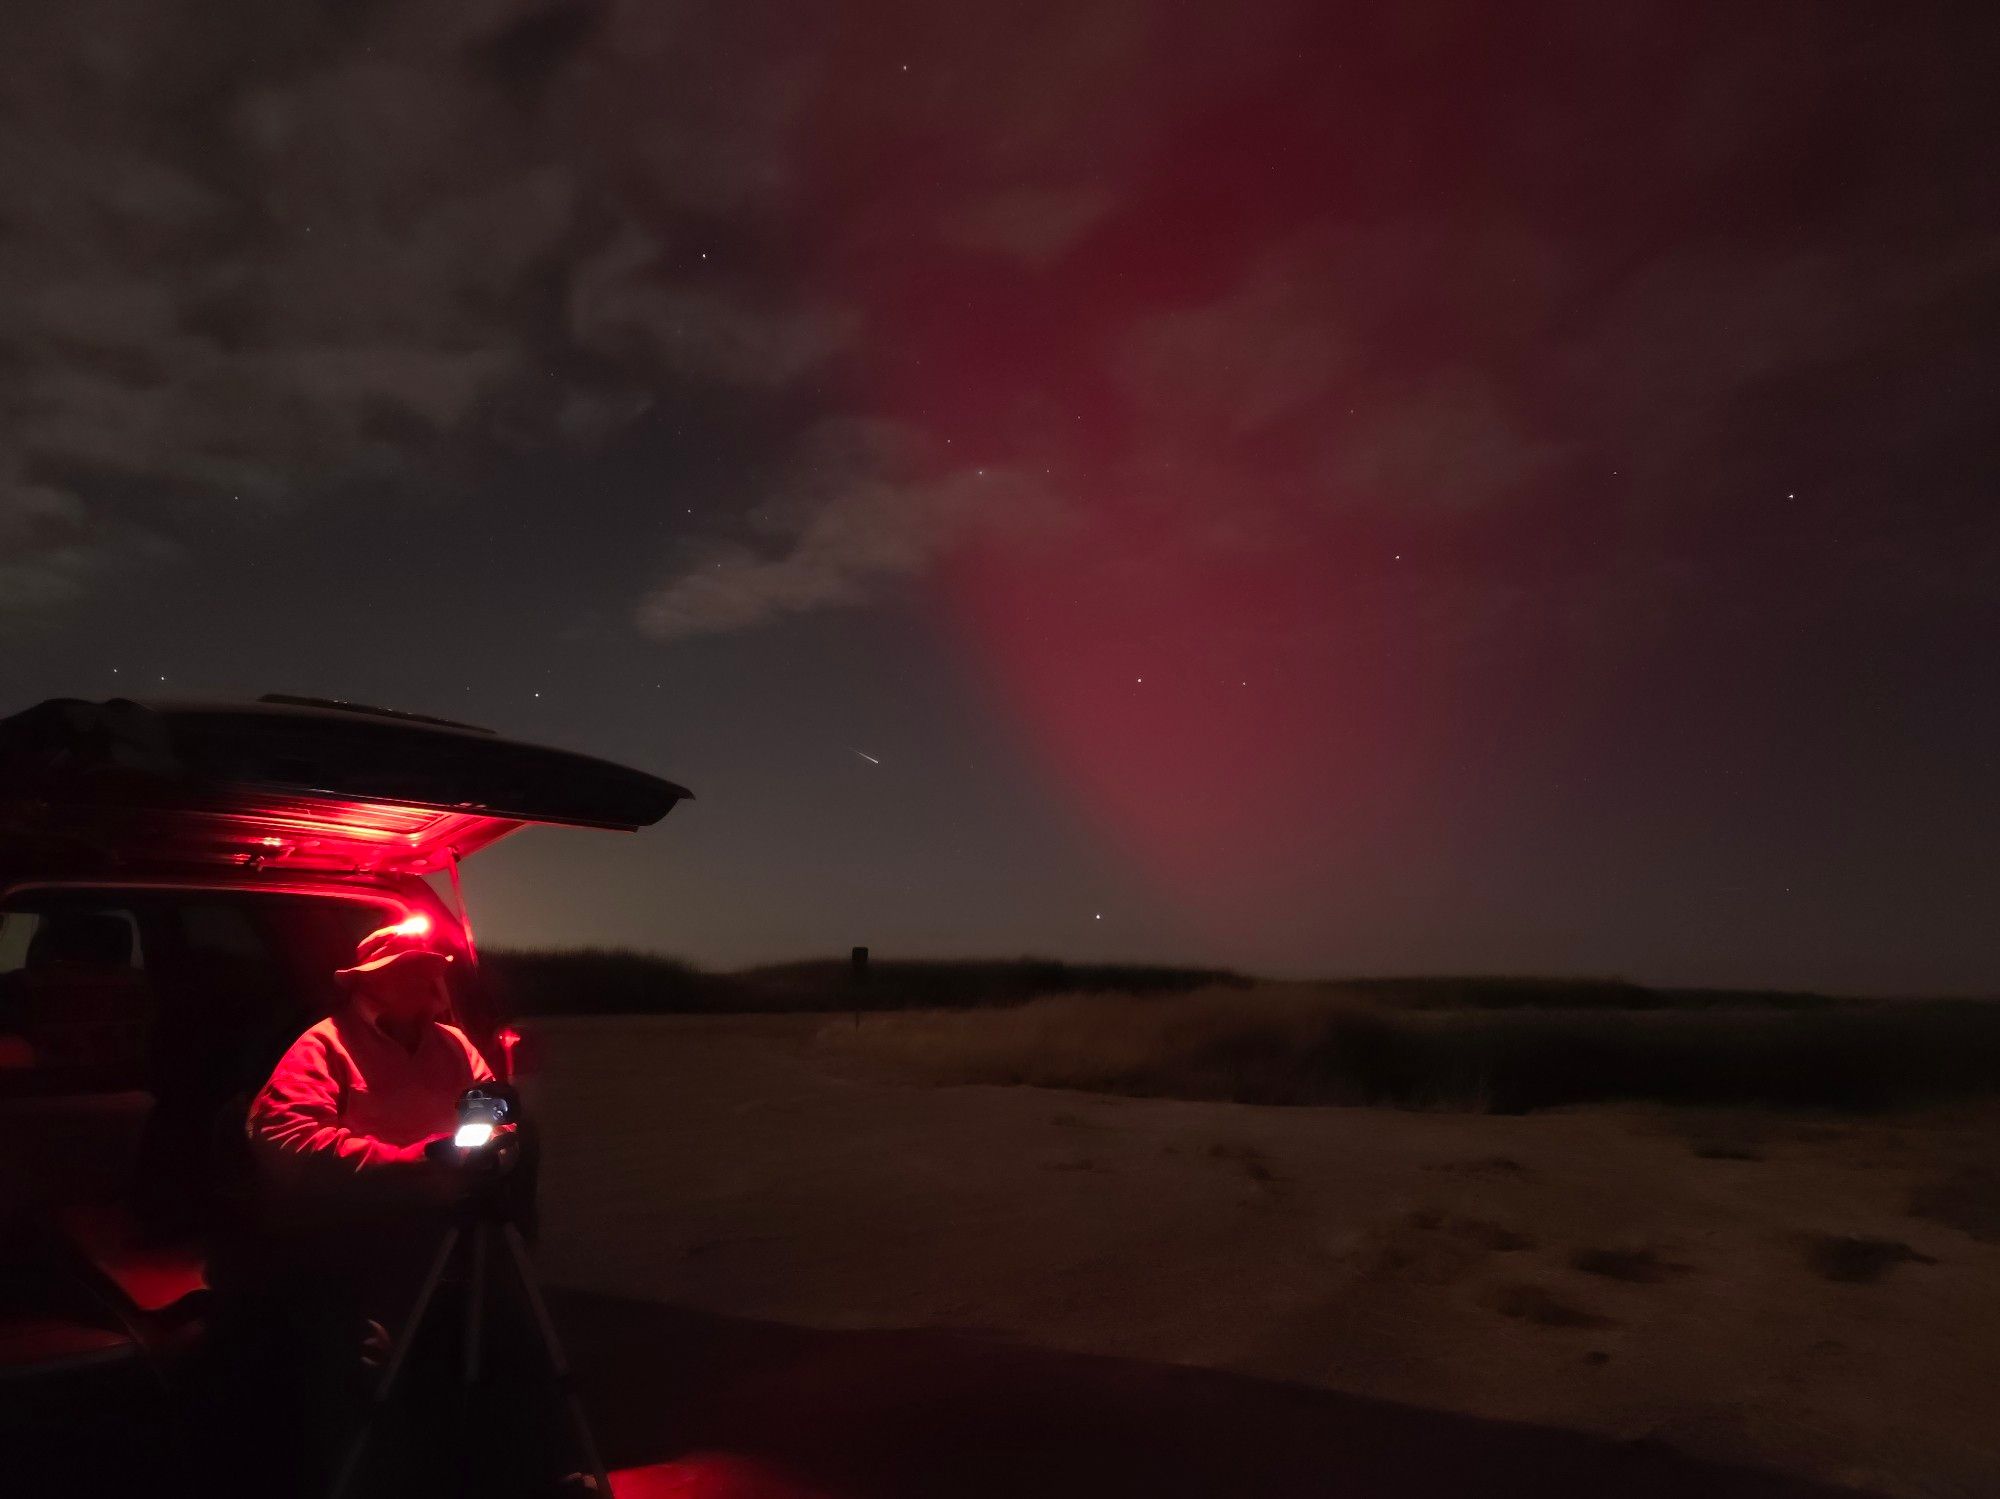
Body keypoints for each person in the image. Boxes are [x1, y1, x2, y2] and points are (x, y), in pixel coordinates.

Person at [228, 916, 499, 1492]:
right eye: (411, 970)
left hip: (445, 1230)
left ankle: (476, 1465)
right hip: (346, 1233)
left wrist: (493, 1138)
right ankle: (360, 1477)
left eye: (432, 969)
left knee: (481, 1347)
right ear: (368, 982)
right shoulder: (322, 1045)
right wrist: (418, 1160)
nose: (429, 980)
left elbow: (489, 1106)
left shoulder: (453, 1044)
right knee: (362, 1366)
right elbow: (286, 1141)